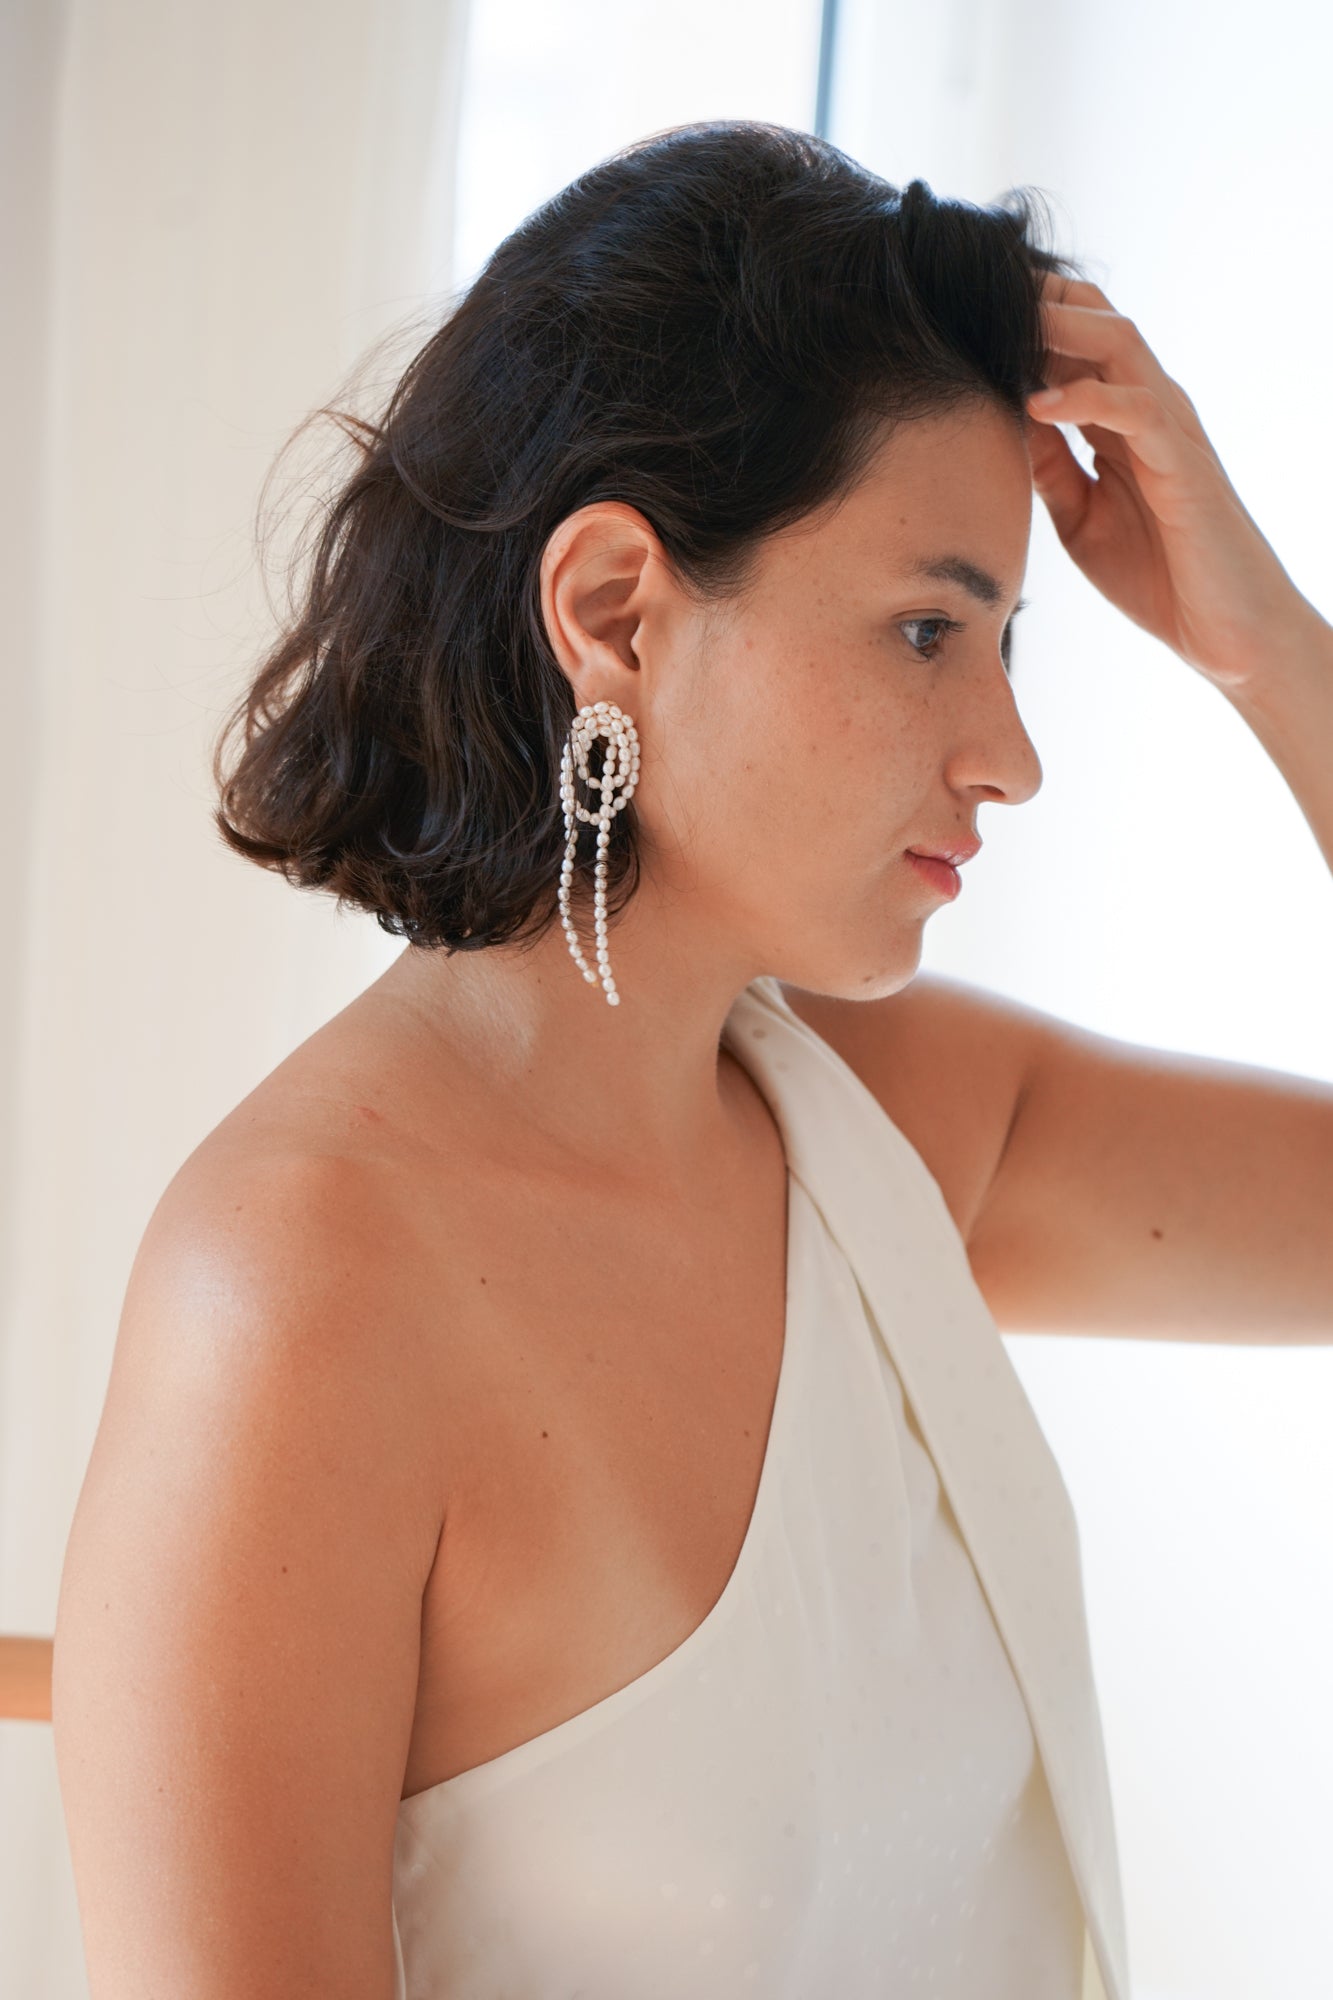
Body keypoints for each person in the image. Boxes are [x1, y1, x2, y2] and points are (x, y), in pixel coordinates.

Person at [52, 120, 1333, 2000]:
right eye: (925, 629)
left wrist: (1266, 647)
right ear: (614, 613)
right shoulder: (302, 1294)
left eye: (1005, 643)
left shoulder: (885, 1125)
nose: (1009, 752)